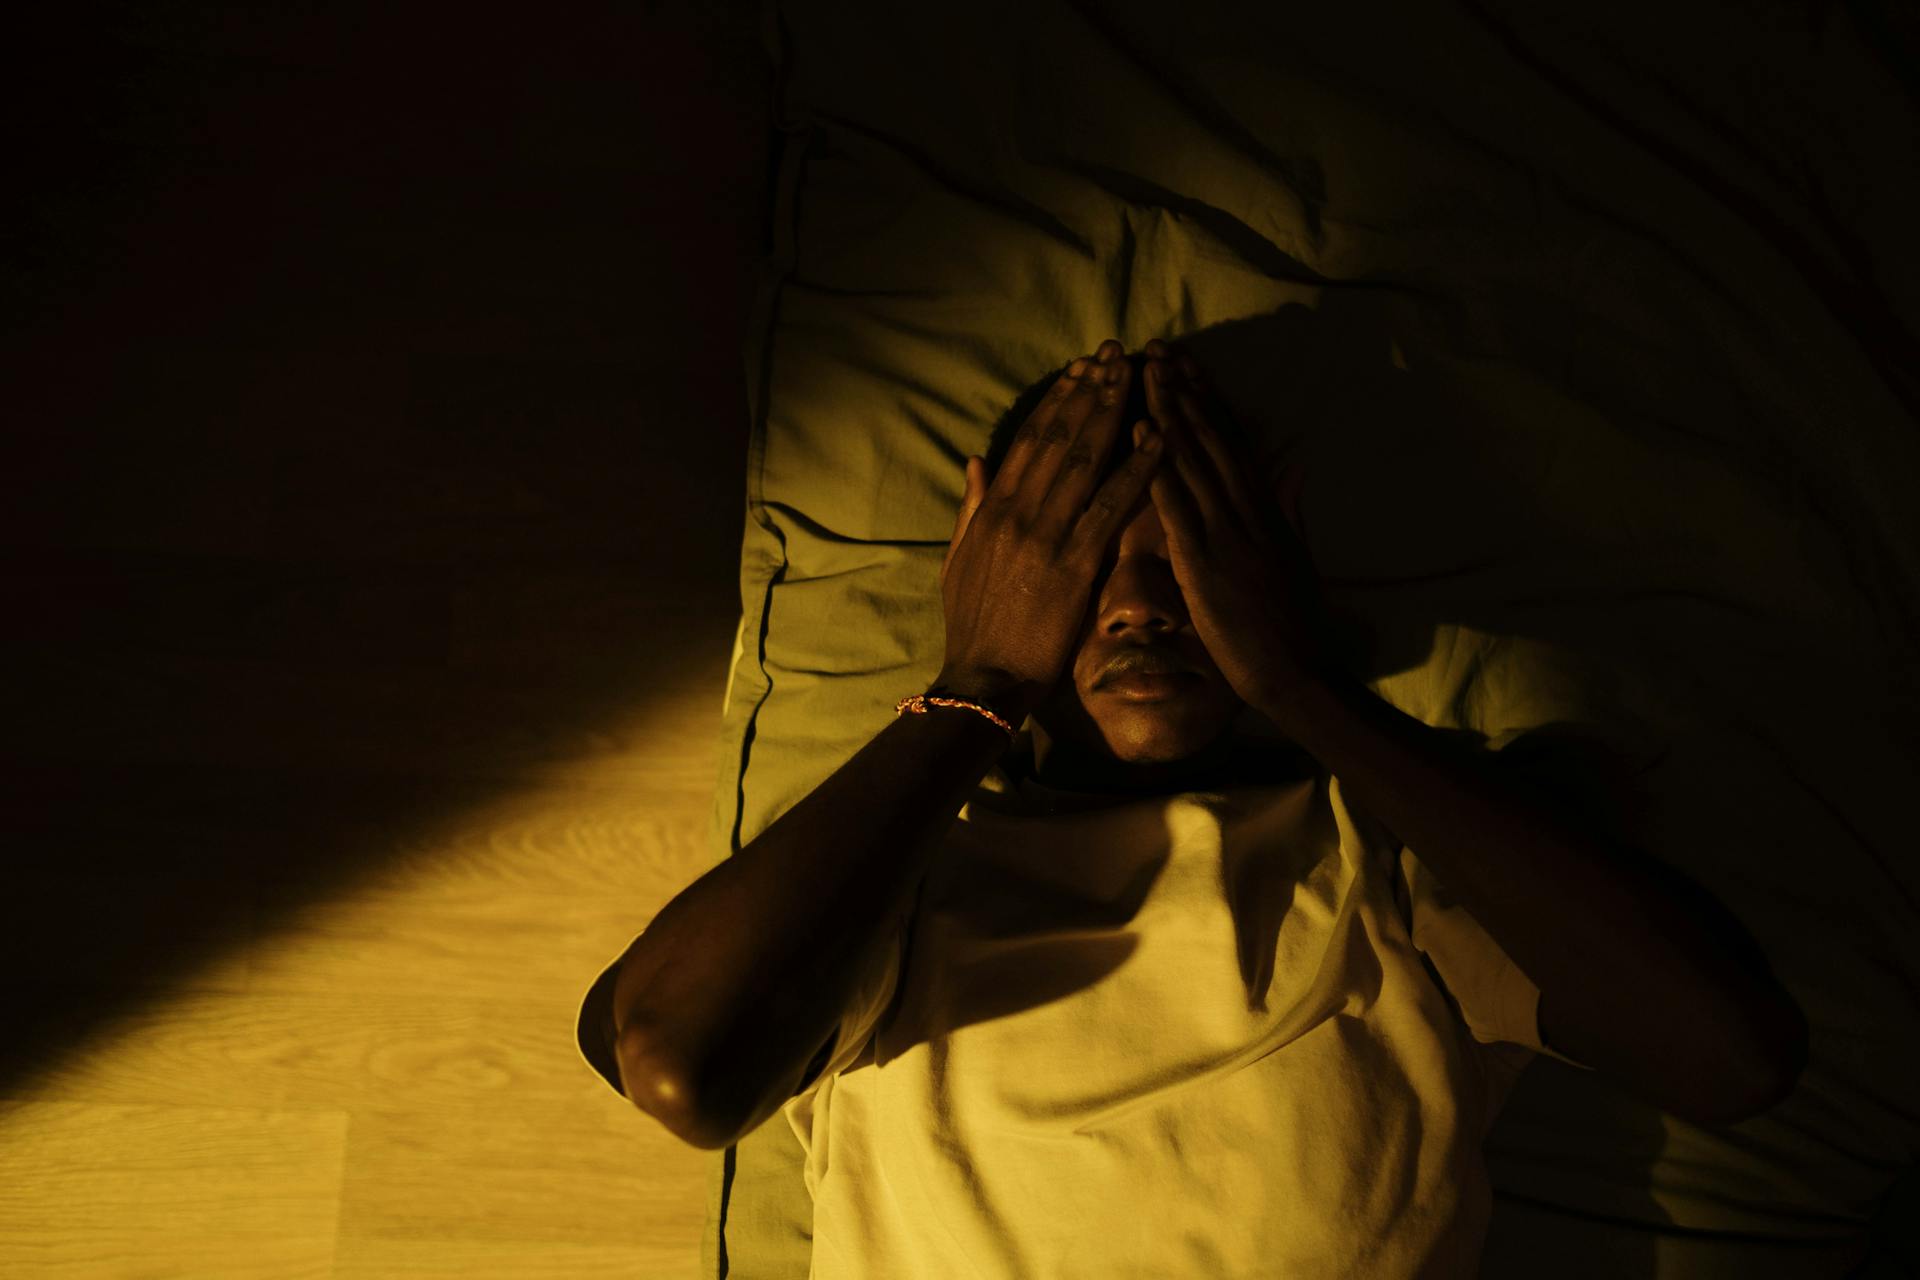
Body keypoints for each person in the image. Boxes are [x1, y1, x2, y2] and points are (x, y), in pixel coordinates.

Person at [579, 338, 1809, 1277]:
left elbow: (1729, 1052)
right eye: (1083, 549)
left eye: (1182, 548)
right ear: (981, 552)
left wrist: (1299, 680)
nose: (1137, 601)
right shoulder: (897, 866)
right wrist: (980, 682)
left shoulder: (1394, 854)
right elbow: (681, 1061)